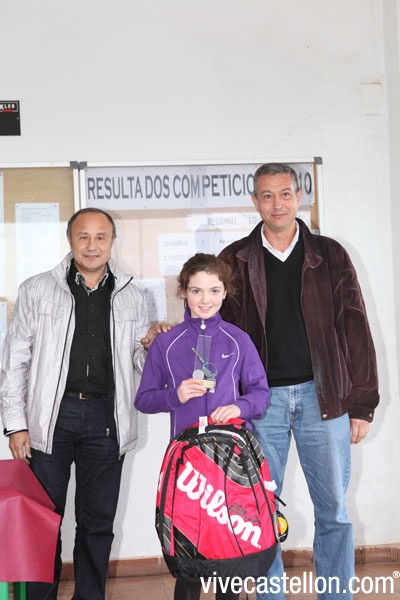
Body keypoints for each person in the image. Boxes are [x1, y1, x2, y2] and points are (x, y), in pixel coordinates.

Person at [218, 163, 380, 600]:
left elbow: (356, 328)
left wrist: (362, 404)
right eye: (267, 195)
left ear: (299, 197)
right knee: (260, 512)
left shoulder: (330, 255)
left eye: (285, 194)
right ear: (255, 201)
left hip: (323, 399)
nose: (277, 204)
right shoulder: (233, 259)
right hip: (259, 402)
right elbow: (217, 333)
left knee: (334, 512)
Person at [0, 207, 164, 600]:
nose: (92, 245)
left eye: (101, 237)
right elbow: (14, 361)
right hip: (49, 421)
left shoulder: (132, 295)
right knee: (42, 521)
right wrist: (16, 423)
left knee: (97, 524)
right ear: (70, 240)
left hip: (106, 421)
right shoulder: (37, 289)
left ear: (112, 241)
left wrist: (151, 347)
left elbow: (139, 364)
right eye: (83, 237)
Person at [134, 252, 271, 600]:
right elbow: (144, 399)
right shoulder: (166, 343)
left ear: (225, 292)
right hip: (187, 465)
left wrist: (239, 407)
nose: (205, 300)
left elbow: (261, 394)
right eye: (196, 291)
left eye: (214, 291)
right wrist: (175, 395)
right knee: (189, 548)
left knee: (229, 547)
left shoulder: (239, 340)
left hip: (231, 464)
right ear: (183, 291)